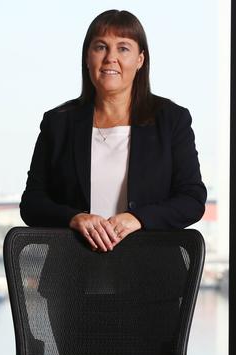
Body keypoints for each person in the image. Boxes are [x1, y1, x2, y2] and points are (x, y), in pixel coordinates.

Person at [20, 9, 207, 251]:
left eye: (123, 48)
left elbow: (192, 199)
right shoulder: (58, 123)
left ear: (140, 60)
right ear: (88, 57)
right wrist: (74, 218)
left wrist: (138, 218)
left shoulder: (171, 119)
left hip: (152, 275)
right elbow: (32, 203)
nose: (110, 57)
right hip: (70, 273)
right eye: (100, 47)